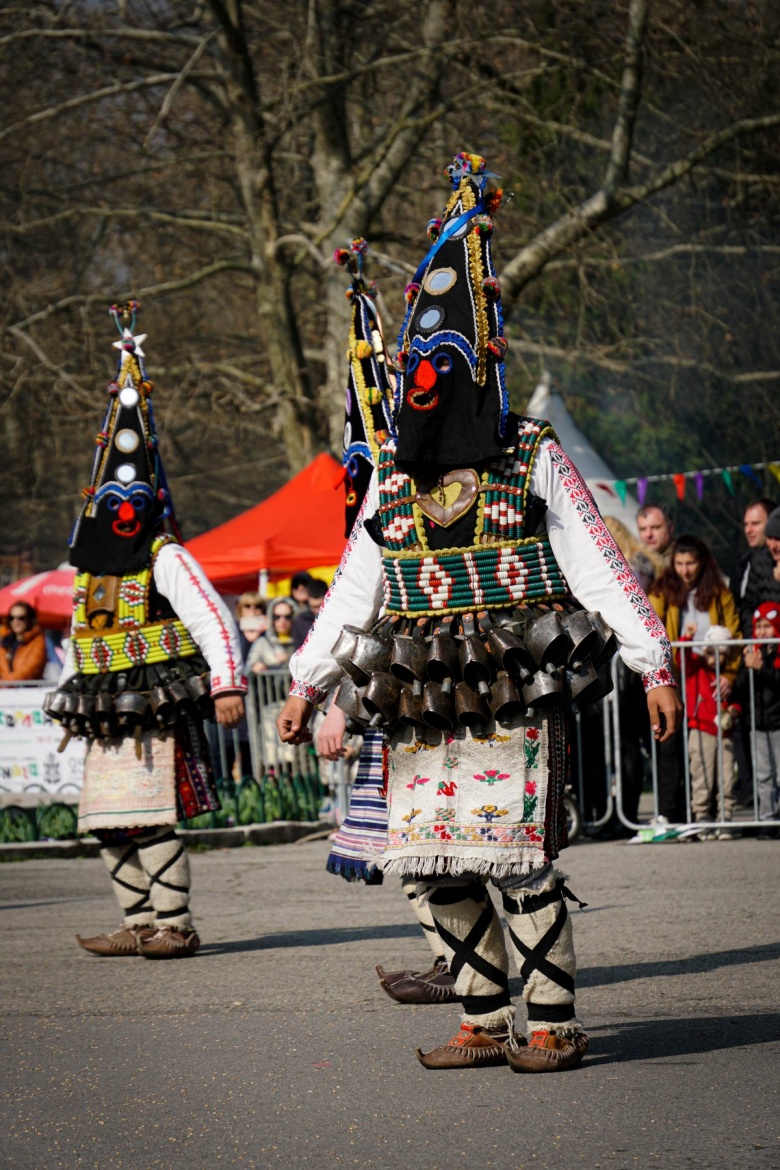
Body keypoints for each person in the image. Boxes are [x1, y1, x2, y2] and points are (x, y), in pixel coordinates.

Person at [277, 152, 681, 1074]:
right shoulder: (389, 477)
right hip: (419, 699)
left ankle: (553, 1022)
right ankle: (482, 1017)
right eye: (415, 370)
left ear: (478, 366)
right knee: (427, 867)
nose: (422, 387)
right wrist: (308, 684)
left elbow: (601, 569)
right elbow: (355, 591)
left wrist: (654, 664)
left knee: (518, 862)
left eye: (438, 369)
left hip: (518, 692)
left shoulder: (530, 455)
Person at [45, 302, 246, 959]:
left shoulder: (166, 556)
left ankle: (175, 923)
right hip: (105, 704)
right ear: (96, 510)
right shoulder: (86, 573)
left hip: (157, 699)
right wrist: (68, 699)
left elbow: (211, 615)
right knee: (107, 822)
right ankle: (136, 921)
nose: (126, 517)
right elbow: (77, 639)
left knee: (151, 814)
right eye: (114, 507)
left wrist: (227, 683)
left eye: (136, 506)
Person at [649, 535, 740, 822]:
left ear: (702, 562)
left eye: (691, 563)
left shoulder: (719, 591)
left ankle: (707, 811)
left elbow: (735, 634)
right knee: (670, 744)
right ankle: (668, 811)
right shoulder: (663, 589)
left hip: (708, 680)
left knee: (707, 748)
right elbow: (651, 626)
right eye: (679, 563)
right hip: (675, 678)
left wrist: (728, 674)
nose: (685, 570)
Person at [679, 624, 740, 838]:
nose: (714, 656)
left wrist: (734, 710)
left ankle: (725, 818)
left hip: (725, 732)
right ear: (704, 650)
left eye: (720, 652)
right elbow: (682, 657)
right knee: (701, 776)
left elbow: (738, 700)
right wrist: (688, 637)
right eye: (710, 650)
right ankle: (702, 816)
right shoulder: (695, 668)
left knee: (726, 778)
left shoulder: (728, 678)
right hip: (700, 728)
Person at [735, 602, 780, 834]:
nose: (762, 632)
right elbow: (740, 688)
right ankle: (767, 819)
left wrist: (762, 668)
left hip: (777, 722)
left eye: (767, 626)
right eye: (758, 626)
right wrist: (747, 667)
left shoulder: (776, 655)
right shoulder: (753, 652)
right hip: (759, 723)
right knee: (764, 775)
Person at [734, 504, 780, 638]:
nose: (772, 545)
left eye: (778, 539)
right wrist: (754, 642)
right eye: (769, 538)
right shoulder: (760, 561)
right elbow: (748, 606)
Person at [247, 596, 296, 673]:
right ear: (271, 617)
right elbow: (248, 666)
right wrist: (255, 665)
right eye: (277, 617)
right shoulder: (262, 642)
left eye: (287, 617)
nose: (282, 620)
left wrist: (288, 658)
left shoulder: (301, 643)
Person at [0, 602, 47, 681]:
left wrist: (4, 683)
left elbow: (27, 672)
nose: (16, 621)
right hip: (5, 691)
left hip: (27, 691)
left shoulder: (38, 641)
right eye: (12, 618)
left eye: (21, 618)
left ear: (29, 619)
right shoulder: (5, 642)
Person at [292, 578, 327, 650]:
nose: (318, 611)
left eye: (321, 606)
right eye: (314, 607)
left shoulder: (336, 618)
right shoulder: (301, 620)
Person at [637, 503, 675, 567]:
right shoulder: (634, 562)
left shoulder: (684, 560)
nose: (649, 534)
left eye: (655, 528)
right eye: (643, 529)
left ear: (670, 528)